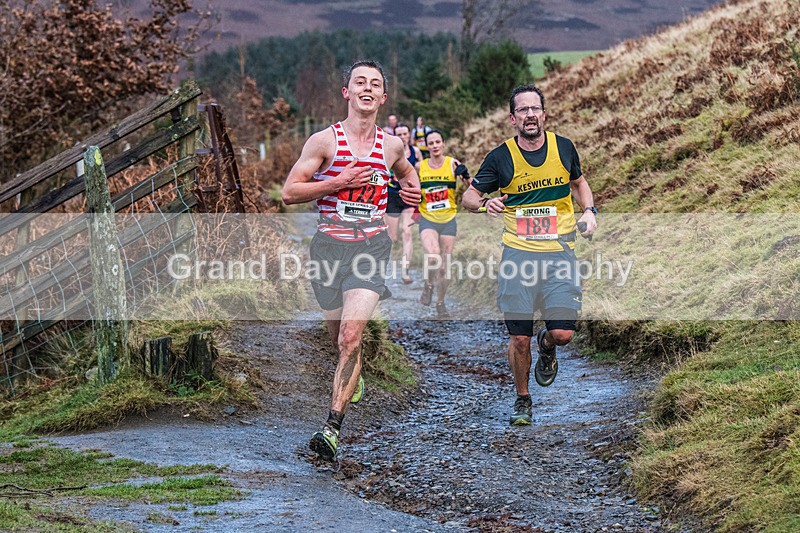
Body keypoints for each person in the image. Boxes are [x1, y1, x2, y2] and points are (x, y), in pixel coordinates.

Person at [281, 60, 421, 461]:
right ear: (346, 92)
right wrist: (339, 182)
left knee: (349, 336)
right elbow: (290, 193)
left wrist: (412, 196)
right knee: (336, 332)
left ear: (383, 96)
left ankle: (331, 428)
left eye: (374, 84)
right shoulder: (325, 141)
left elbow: (409, 175)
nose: (367, 88)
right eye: (359, 82)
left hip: (371, 248)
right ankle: (351, 369)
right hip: (328, 246)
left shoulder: (392, 145)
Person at [461, 84, 597, 426]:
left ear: (544, 114)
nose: (530, 115)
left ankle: (547, 345)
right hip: (518, 258)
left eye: (535, 108)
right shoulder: (500, 157)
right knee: (518, 338)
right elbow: (469, 198)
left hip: (559, 255)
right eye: (523, 110)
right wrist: (484, 204)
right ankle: (523, 399)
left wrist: (590, 210)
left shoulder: (564, 148)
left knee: (564, 334)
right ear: (512, 119)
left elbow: (579, 183)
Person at [417, 129, 471, 318]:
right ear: (427, 146)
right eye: (431, 143)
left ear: (443, 143)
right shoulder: (419, 167)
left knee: (444, 267)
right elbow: (409, 187)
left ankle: (440, 303)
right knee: (433, 257)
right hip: (428, 219)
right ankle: (428, 285)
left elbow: (472, 188)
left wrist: (466, 174)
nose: (435, 146)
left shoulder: (452, 164)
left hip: (448, 220)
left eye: (437, 142)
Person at [385, 122, 422, 284]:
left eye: (404, 134)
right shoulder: (388, 152)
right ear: (394, 136)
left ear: (409, 135)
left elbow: (423, 170)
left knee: (407, 233)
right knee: (392, 237)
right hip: (392, 196)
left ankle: (405, 272)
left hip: (408, 197)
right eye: (398, 134)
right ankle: (386, 269)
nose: (402, 137)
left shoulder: (416, 152)